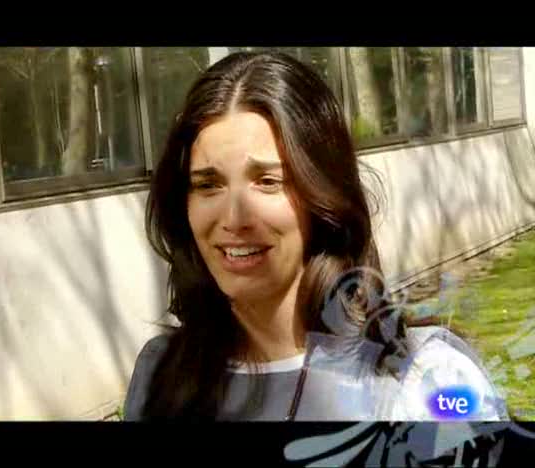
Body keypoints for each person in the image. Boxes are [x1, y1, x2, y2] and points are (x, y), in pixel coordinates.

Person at [123, 50, 507, 423]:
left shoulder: (423, 381)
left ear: (323, 197)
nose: (234, 218)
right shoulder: (161, 375)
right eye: (208, 184)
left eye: (268, 181)